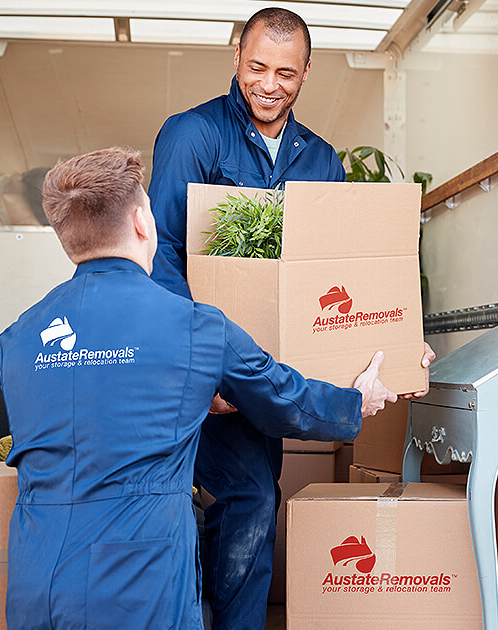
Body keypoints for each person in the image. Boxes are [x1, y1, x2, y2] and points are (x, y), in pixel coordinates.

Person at [0, 147, 397, 630]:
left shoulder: (18, 338)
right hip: (140, 583)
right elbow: (286, 403)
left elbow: (94, 409)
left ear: (66, 238)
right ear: (144, 221)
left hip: (33, 580)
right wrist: (357, 400)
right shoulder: (194, 327)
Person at [147, 7, 434, 629]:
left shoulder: (321, 160)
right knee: (229, 496)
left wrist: (397, 339)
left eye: (285, 71)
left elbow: (336, 276)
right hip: (197, 365)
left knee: (253, 498)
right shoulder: (191, 135)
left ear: (305, 74)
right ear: (236, 60)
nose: (268, 84)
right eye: (256, 67)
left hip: (267, 369)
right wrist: (203, 372)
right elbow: (163, 256)